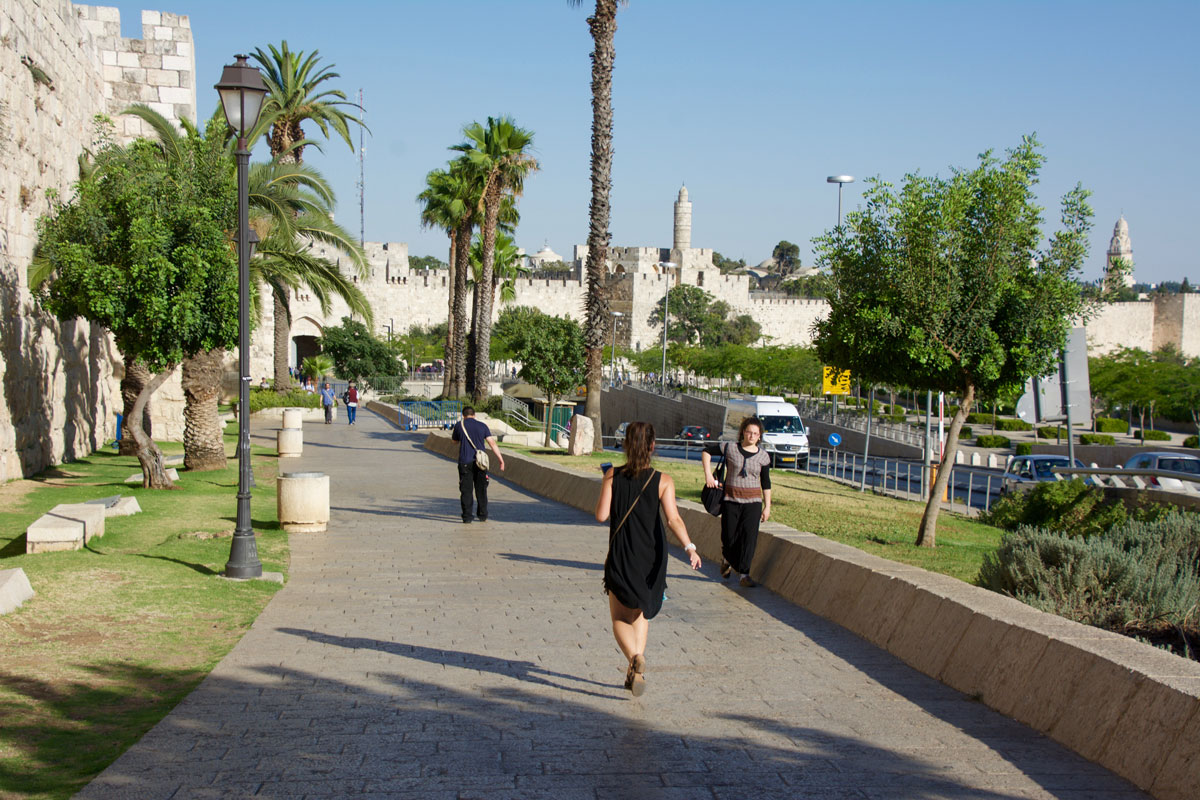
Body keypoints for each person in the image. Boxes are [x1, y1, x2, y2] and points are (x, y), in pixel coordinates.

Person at [595, 421, 701, 696]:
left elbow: (601, 516)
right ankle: (636, 668)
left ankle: (633, 658)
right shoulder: (663, 481)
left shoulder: (612, 476)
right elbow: (673, 519)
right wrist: (689, 547)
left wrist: (606, 483)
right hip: (652, 558)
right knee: (642, 612)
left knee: (619, 616)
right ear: (653, 446)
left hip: (621, 554)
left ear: (626, 445)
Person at [702, 416, 772, 588]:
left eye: (756, 433)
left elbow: (766, 482)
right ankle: (727, 558)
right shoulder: (730, 448)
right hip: (731, 500)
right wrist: (708, 475)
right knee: (729, 536)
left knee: (749, 538)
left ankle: (744, 575)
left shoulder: (763, 457)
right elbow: (706, 451)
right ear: (743, 432)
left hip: (753, 503)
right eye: (749, 432)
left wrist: (767, 506)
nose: (752, 436)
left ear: (759, 436)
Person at [451, 406, 505, 523]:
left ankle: (467, 517)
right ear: (474, 415)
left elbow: (454, 441)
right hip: (481, 462)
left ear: (463, 415)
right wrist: (501, 459)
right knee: (481, 489)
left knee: (466, 490)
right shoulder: (482, 426)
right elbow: (492, 443)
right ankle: (482, 515)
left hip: (465, 462)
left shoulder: (459, 425)